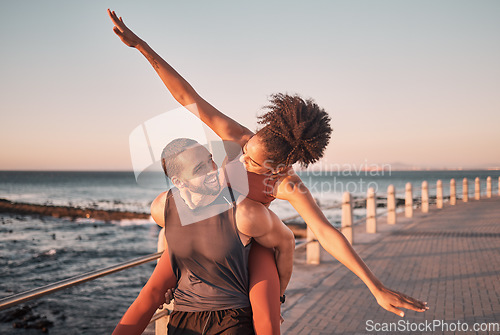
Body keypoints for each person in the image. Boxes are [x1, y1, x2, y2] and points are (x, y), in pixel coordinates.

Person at [108, 7, 428, 325]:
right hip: (205, 230)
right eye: (246, 150)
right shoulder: (240, 137)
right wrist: (141, 47)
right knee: (150, 292)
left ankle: (276, 303)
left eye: (252, 161)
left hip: (248, 240)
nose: (241, 158)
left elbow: (326, 232)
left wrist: (376, 287)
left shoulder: (287, 184)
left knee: (265, 307)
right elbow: (186, 96)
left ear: (277, 167)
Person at [112, 138, 294, 334]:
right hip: (184, 315)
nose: (213, 170)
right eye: (200, 169)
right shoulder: (162, 208)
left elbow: (287, 241)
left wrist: (278, 298)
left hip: (232, 319)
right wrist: (173, 275)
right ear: (178, 182)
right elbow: (177, 239)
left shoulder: (244, 213)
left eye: (211, 160)